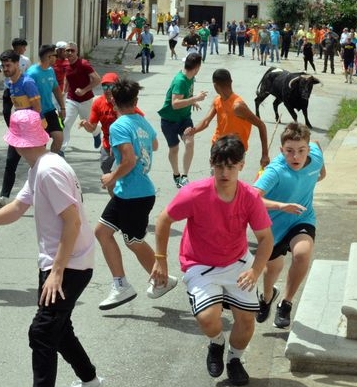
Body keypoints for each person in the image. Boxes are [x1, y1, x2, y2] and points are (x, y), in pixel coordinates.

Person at [0, 110, 104, 387]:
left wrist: (57, 272)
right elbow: (20, 206)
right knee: (58, 329)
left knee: (42, 332)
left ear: (20, 143)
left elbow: (72, 221)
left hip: (69, 264)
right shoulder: (41, 166)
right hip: (61, 261)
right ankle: (91, 382)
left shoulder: (48, 170)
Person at [152, 135, 273, 386]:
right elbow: (164, 220)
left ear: (241, 165)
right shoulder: (195, 193)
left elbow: (265, 239)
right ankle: (217, 342)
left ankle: (235, 359)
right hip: (200, 263)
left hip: (238, 262)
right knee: (208, 317)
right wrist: (160, 259)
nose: (224, 172)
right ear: (211, 164)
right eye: (219, 166)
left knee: (247, 319)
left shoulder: (250, 197)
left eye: (231, 166)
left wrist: (256, 271)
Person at [91, 78, 176, 311]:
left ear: (112, 101)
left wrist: (111, 176)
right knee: (102, 232)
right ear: (136, 101)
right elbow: (155, 145)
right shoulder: (141, 122)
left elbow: (129, 159)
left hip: (134, 193)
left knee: (134, 241)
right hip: (129, 192)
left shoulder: (119, 126)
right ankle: (121, 285)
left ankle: (162, 279)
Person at [254, 123, 326, 329]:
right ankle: (267, 297)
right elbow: (250, 199)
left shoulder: (315, 156)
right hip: (273, 227)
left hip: (302, 218)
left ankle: (286, 302)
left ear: (308, 148)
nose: (296, 156)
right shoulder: (275, 171)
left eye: (301, 150)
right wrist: (280, 206)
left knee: (302, 254)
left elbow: (318, 145)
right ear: (281, 150)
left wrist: (321, 173)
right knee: (272, 270)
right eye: (290, 151)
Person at [0, 50, 41, 210]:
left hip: (32, 131)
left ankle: (46, 197)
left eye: (8, 65)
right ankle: (3, 198)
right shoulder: (10, 84)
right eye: (3, 66)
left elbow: (37, 108)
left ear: (18, 64)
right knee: (10, 163)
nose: (5, 69)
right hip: (18, 130)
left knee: (38, 165)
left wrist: (31, 131)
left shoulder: (27, 83)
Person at [186, 69, 270, 169]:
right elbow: (206, 121)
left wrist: (265, 154)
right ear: (231, 82)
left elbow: (261, 125)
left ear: (215, 85)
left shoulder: (238, 106)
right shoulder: (217, 100)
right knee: (217, 180)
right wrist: (193, 131)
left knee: (228, 181)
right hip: (218, 147)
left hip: (235, 151)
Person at [79, 73, 144, 186]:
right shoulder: (98, 103)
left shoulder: (123, 103)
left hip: (125, 147)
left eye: (111, 86)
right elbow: (92, 128)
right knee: (110, 181)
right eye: (105, 86)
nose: (108, 90)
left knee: (125, 180)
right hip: (107, 147)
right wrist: (86, 125)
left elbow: (140, 121)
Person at [158, 53, 207, 189]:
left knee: (189, 142)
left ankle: (185, 176)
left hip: (184, 118)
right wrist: (195, 99)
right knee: (174, 149)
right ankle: (176, 175)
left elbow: (184, 97)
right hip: (169, 120)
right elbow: (175, 103)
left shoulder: (190, 76)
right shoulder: (180, 80)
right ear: (197, 67)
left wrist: (192, 102)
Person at [61, 42, 102, 153]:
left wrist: (84, 90)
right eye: (67, 50)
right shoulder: (66, 65)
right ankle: (61, 150)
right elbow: (67, 77)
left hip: (86, 100)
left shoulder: (84, 64)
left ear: (77, 52)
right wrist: (64, 92)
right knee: (66, 123)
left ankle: (97, 132)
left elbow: (97, 79)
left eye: (72, 50)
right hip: (71, 99)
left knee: (89, 125)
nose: (69, 53)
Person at [26, 44, 66, 154]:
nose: (56, 58)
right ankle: (39, 166)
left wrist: (62, 107)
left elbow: (56, 89)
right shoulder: (32, 73)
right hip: (37, 113)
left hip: (50, 110)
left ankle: (51, 160)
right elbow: (25, 93)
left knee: (59, 138)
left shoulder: (50, 71)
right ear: (49, 57)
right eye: (55, 55)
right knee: (41, 144)